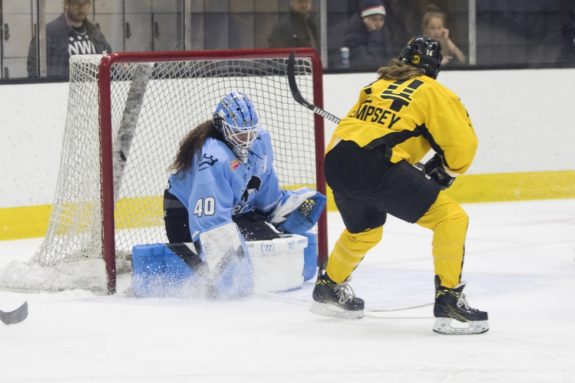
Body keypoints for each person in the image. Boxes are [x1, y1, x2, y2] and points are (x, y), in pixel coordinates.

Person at [311, 36, 488, 335]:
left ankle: (329, 288)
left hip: (337, 161)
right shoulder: (433, 91)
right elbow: (463, 144)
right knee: (451, 218)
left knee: (364, 231)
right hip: (374, 165)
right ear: (434, 68)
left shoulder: (376, 86)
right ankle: (449, 302)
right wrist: (446, 169)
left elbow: (354, 131)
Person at [164, 92, 325, 296]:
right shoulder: (213, 157)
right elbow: (209, 220)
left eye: (250, 133)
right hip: (185, 214)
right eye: (240, 134)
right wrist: (226, 259)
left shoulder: (261, 141)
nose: (246, 140)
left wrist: (278, 207)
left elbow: (263, 182)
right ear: (222, 127)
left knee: (271, 249)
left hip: (230, 211)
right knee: (222, 278)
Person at [27, 0, 112, 78]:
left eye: (85, 3)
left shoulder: (95, 33)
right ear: (66, 4)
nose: (81, 7)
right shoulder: (49, 33)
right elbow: (34, 68)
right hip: (61, 90)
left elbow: (109, 62)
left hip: (92, 91)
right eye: (77, 3)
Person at [343, 0, 394, 69]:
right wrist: (374, 34)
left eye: (381, 19)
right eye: (374, 19)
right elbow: (368, 61)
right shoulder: (353, 38)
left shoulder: (384, 34)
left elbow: (390, 59)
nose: (378, 23)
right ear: (365, 20)